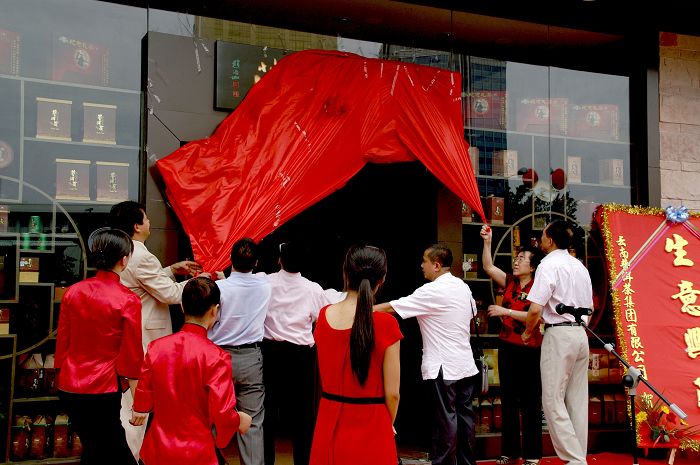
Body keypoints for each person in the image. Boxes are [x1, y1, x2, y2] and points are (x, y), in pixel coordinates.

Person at [109, 200, 209, 458]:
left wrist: (171, 270)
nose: (149, 222)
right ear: (137, 226)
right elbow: (171, 294)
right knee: (137, 411)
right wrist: (199, 282)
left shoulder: (124, 251)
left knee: (133, 407)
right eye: (146, 218)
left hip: (130, 337)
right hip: (144, 340)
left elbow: (144, 282)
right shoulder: (141, 255)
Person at [130, 277, 253, 465]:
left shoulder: (156, 348)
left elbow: (144, 394)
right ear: (215, 311)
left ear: (182, 307)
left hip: (157, 449)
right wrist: (239, 421)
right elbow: (223, 413)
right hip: (197, 452)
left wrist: (140, 408)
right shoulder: (217, 357)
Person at [375, 243, 478, 465]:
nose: (422, 265)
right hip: (464, 362)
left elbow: (393, 307)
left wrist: (360, 308)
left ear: (437, 265)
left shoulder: (431, 291)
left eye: (425, 261)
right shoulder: (462, 286)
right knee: (465, 419)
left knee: (445, 421)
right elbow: (471, 315)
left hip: (443, 365)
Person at [54, 229, 142, 465]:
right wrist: (139, 402)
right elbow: (132, 357)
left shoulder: (73, 292)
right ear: (124, 259)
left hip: (70, 385)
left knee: (94, 448)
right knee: (112, 450)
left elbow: (63, 343)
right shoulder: (128, 299)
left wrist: (59, 376)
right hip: (103, 388)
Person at [310, 245, 401, 465]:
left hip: (329, 422)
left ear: (345, 274)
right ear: (382, 279)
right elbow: (393, 394)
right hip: (373, 422)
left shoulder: (324, 316)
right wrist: (387, 423)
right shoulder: (386, 324)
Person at [263, 241, 343, 465]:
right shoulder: (312, 289)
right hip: (300, 357)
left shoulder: (265, 282)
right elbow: (323, 315)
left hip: (271, 353)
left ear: (279, 260)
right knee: (302, 415)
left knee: (268, 412)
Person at [522, 220, 593, 465]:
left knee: (552, 398)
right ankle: (578, 456)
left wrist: (527, 332)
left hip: (559, 333)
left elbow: (535, 308)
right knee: (577, 399)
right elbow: (590, 306)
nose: (541, 239)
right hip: (580, 332)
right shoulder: (579, 266)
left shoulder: (548, 264)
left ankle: (575, 459)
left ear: (550, 240)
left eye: (543, 235)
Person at [480, 225, 543, 465]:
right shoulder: (509, 282)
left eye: (521, 259)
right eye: (516, 258)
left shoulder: (539, 287)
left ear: (532, 267)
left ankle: (533, 454)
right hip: (507, 346)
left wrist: (505, 311)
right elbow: (488, 267)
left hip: (530, 348)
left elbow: (536, 315)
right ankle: (510, 451)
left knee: (530, 401)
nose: (516, 262)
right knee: (508, 399)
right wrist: (488, 242)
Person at [208, 237, 270, 465]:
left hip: (218, 357)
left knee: (211, 415)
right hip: (250, 358)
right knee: (252, 421)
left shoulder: (218, 288)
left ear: (230, 259)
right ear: (256, 263)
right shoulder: (265, 285)